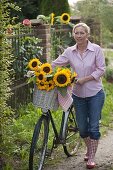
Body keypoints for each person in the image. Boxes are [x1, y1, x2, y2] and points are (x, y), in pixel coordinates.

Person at [51, 22, 105, 169]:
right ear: (73, 34)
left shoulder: (96, 50)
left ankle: (91, 157)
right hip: (78, 95)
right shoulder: (69, 51)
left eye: (82, 33)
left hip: (96, 94)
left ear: (87, 34)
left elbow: (101, 70)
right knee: (82, 128)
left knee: (93, 127)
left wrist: (84, 79)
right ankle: (89, 148)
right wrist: (40, 70)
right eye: (76, 33)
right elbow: (56, 63)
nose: (79, 35)